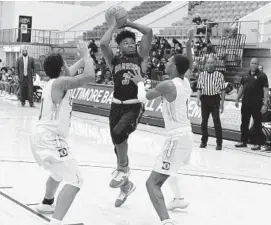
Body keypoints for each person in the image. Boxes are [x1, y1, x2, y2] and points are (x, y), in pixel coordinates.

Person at [128, 29, 194, 225]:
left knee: (152, 183)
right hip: (186, 136)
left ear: (174, 68)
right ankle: (178, 199)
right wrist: (189, 46)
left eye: (169, 61)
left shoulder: (168, 85)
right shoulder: (185, 81)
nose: (166, 62)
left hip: (176, 137)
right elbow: (188, 64)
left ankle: (166, 222)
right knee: (168, 173)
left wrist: (140, 83)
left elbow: (143, 98)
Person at [30, 41, 95, 225]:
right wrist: (87, 57)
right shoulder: (60, 82)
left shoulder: (54, 81)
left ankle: (47, 203)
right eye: (65, 64)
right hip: (50, 137)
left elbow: (71, 70)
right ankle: (56, 222)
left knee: (57, 172)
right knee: (76, 179)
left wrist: (83, 57)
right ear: (61, 69)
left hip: (39, 135)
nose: (68, 66)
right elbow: (89, 76)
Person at [100, 17, 153, 207]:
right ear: (120, 46)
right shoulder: (113, 61)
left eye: (132, 42)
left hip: (133, 105)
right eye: (125, 43)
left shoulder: (141, 58)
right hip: (116, 105)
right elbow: (103, 44)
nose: (130, 44)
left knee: (118, 133)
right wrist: (114, 26)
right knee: (117, 144)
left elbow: (148, 32)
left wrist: (128, 23)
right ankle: (126, 186)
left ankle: (123, 170)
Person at [235, 58, 269, 150]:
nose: (253, 65)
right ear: (249, 64)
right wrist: (237, 99)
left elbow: (265, 91)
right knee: (244, 122)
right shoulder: (246, 75)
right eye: (252, 63)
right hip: (245, 102)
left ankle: (258, 143)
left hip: (257, 103)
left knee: (257, 123)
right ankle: (243, 141)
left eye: (255, 63)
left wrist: (265, 104)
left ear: (258, 64)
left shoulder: (262, 76)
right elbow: (241, 87)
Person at [196, 57, 226, 150]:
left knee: (216, 121)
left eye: (212, 62)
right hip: (205, 99)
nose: (210, 64)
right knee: (203, 122)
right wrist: (198, 98)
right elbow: (199, 88)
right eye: (208, 62)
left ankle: (219, 143)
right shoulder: (202, 75)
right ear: (206, 64)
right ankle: (204, 141)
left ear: (215, 63)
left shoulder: (219, 75)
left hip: (215, 99)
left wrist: (222, 103)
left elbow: (223, 90)